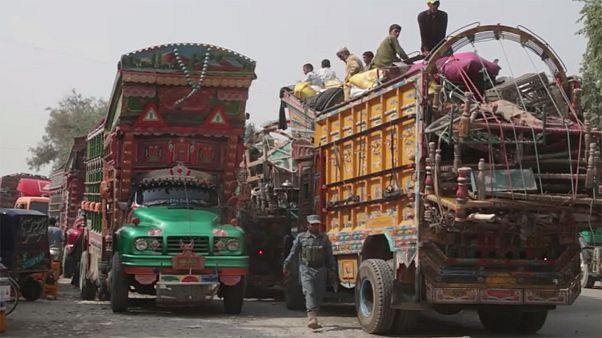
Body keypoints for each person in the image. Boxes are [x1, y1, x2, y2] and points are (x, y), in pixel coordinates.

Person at [283, 215, 336, 330]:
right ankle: (312, 317)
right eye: (313, 224)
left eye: (317, 224)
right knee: (310, 291)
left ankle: (314, 312)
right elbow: (293, 253)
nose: (315, 226)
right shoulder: (301, 237)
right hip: (306, 269)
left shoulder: (324, 238)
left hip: (321, 270)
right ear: (308, 225)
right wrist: (286, 263)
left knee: (319, 293)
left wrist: (332, 270)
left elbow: (329, 256)